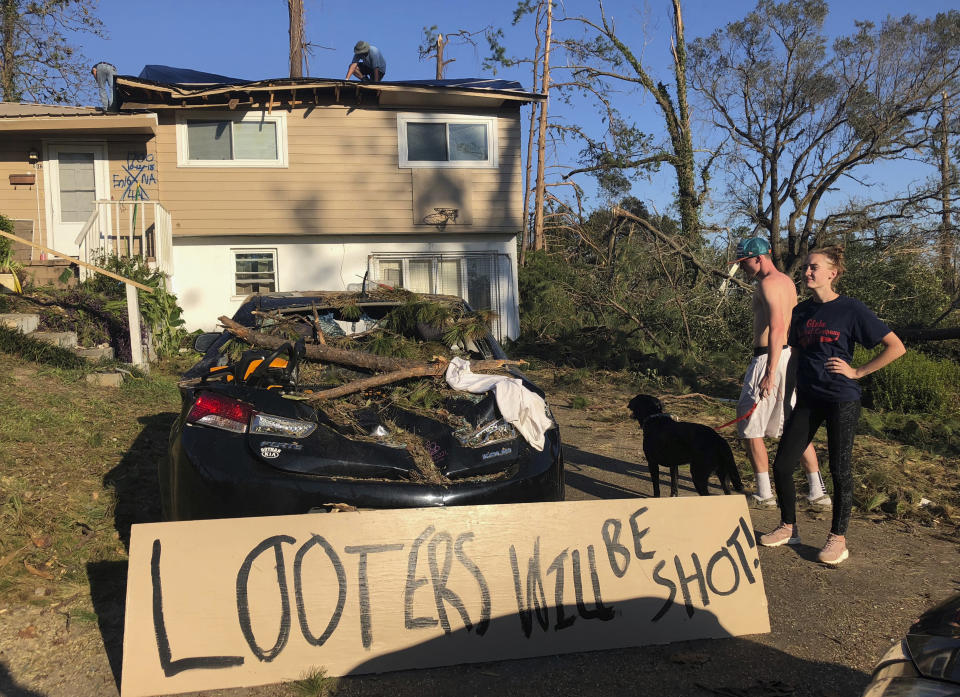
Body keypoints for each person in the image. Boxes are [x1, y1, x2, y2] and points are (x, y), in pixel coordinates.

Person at [759, 246, 905, 565]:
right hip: (808, 399)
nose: (807, 272)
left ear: (832, 273)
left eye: (814, 268)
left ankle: (837, 538)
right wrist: (787, 399)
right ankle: (788, 527)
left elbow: (896, 347)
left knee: (839, 470)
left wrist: (858, 371)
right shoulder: (801, 312)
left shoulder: (851, 310)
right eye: (806, 268)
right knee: (783, 464)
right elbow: (796, 357)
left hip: (842, 399)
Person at [732, 237, 830, 510]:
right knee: (792, 426)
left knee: (749, 425)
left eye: (744, 263)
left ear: (759, 258)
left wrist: (770, 372)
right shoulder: (786, 281)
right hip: (787, 356)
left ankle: (764, 493)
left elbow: (776, 327)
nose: (742, 268)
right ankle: (817, 491)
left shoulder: (768, 283)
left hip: (769, 358)